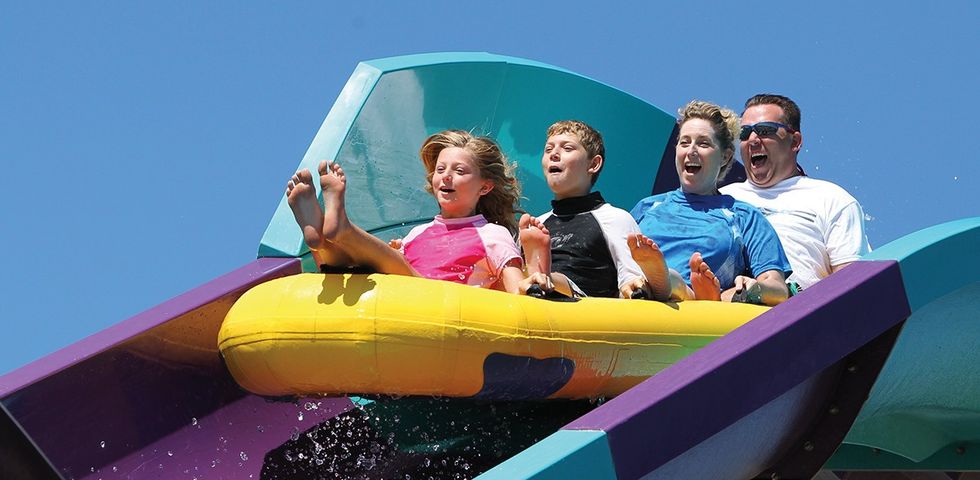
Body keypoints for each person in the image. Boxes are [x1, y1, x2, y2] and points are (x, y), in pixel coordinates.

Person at [286, 130, 549, 294]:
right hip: (400, 301)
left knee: (398, 266)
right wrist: (395, 251)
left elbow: (515, 287)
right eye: (441, 169)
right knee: (350, 266)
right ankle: (321, 241)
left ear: (485, 186)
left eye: (459, 172)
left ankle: (342, 228)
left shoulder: (492, 234)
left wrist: (533, 281)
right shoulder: (418, 233)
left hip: (445, 306)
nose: (446, 177)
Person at [626, 101, 792, 306]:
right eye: (684, 143)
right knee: (641, 278)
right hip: (639, 297)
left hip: (706, 312)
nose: (691, 151)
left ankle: (672, 284)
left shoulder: (743, 216)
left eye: (703, 143)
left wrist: (754, 288)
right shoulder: (647, 207)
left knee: (675, 280)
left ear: (725, 156)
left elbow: (778, 288)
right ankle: (665, 283)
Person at [721, 94, 871, 291]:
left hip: (797, 315)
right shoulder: (719, 198)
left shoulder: (832, 198)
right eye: (744, 133)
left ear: (795, 142)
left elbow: (850, 284)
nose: (753, 140)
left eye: (765, 130)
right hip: (721, 314)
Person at [517, 120, 647, 299]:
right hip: (533, 311)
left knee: (551, 280)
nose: (554, 154)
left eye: (567, 148)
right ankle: (537, 277)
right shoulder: (535, 225)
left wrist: (634, 289)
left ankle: (545, 278)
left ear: (593, 164)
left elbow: (632, 283)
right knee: (517, 277)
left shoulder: (614, 218)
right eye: (548, 150)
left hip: (586, 310)